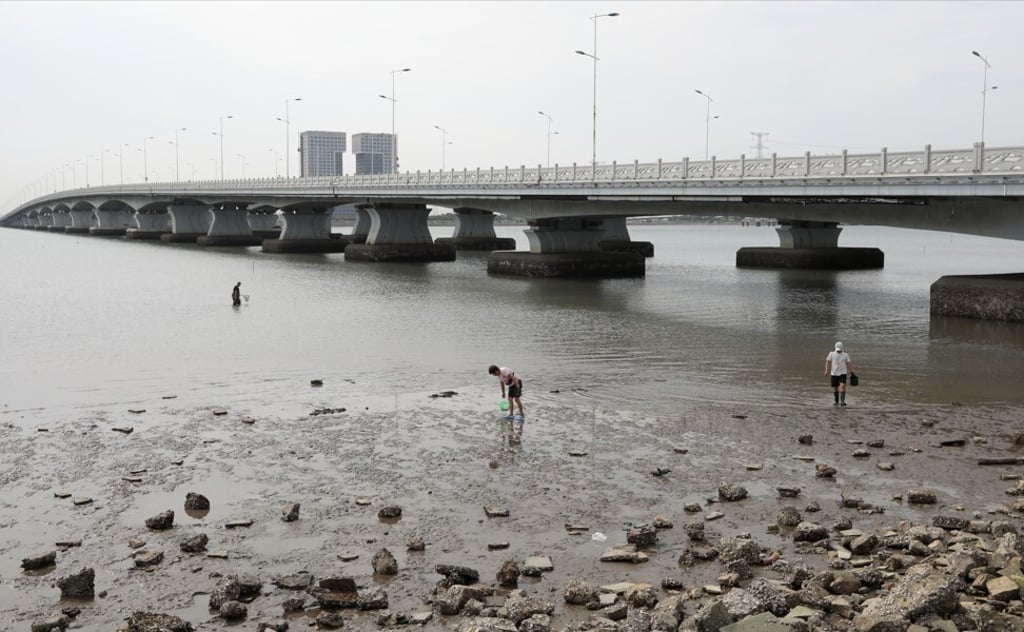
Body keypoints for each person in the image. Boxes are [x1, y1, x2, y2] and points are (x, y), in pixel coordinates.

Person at [824, 341, 852, 407]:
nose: (839, 351)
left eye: (840, 350)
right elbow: (827, 362)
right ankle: (836, 401)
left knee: (842, 386)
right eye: (838, 350)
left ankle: (842, 402)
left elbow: (848, 363)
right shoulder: (831, 354)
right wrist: (826, 370)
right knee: (835, 388)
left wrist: (851, 372)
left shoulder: (846, 354)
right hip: (834, 373)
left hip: (843, 373)